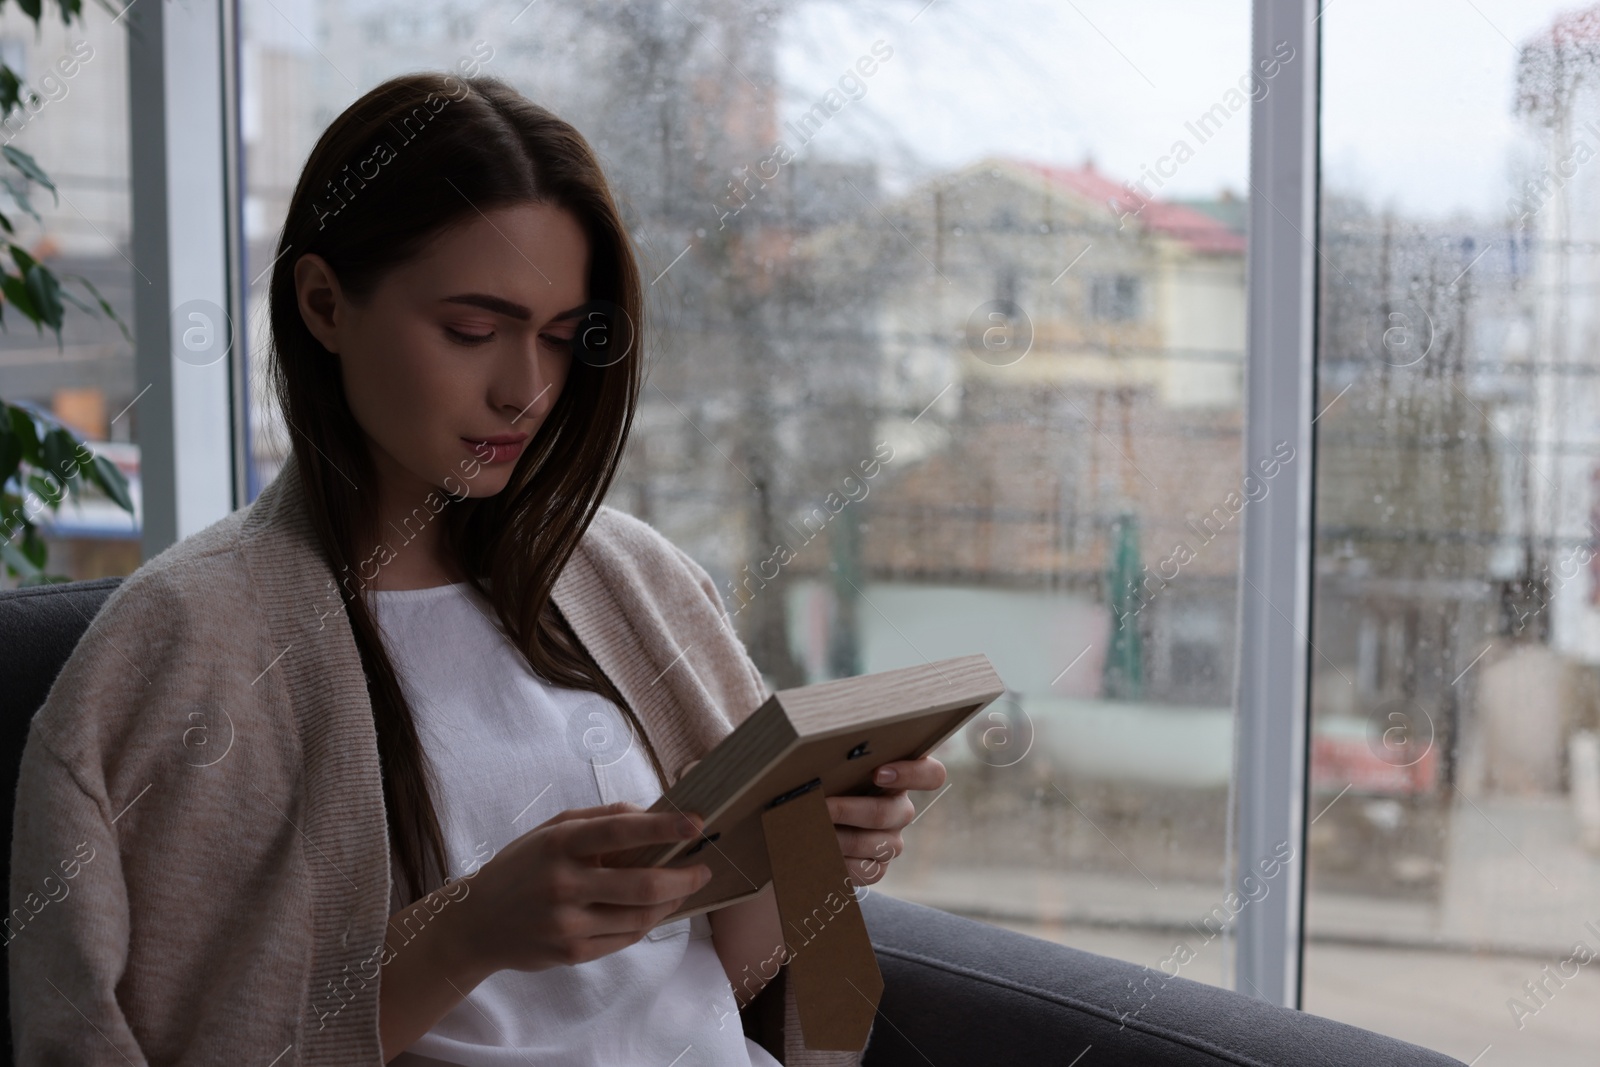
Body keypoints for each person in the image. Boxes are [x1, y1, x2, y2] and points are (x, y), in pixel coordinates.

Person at [7, 72, 945, 1065]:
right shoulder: (187, 645)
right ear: (323, 303)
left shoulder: (639, 583)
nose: (527, 390)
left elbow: (732, 988)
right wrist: (465, 935)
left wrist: (801, 855)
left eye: (558, 337)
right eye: (472, 329)